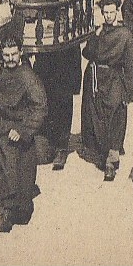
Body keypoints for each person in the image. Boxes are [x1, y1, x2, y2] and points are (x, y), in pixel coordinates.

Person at [0, 33, 47, 232]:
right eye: (6, 55)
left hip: (19, 129)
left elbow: (40, 106)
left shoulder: (28, 77)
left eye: (13, 55)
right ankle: (7, 212)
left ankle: (17, 209)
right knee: (6, 171)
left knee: (22, 179)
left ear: (21, 53)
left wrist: (24, 130)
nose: (9, 59)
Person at [81, 0, 133, 181]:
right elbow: (87, 54)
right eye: (105, 12)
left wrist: (129, 92)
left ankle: (111, 160)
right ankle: (103, 151)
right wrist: (95, 37)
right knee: (97, 117)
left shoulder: (125, 35)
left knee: (114, 116)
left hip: (114, 79)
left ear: (117, 12)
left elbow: (130, 65)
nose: (108, 16)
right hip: (96, 78)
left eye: (112, 12)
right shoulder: (98, 32)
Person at [33, 42, 82, 170]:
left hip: (65, 60)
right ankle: (48, 142)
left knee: (63, 103)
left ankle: (61, 147)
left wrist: (75, 83)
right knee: (44, 100)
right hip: (45, 57)